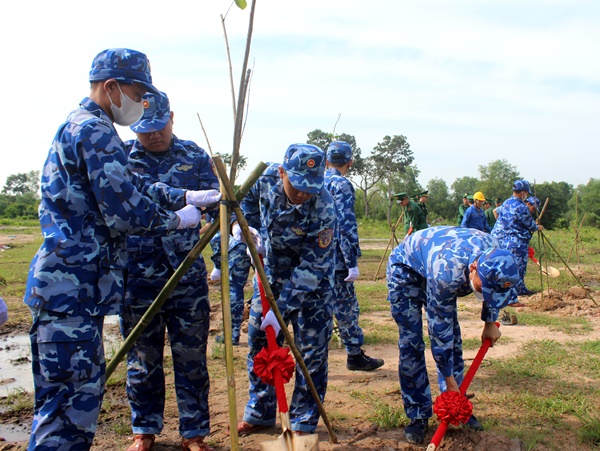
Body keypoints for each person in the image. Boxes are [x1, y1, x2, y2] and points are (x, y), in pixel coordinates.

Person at [23, 48, 218, 450]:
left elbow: (134, 189)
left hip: (82, 290)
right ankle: (145, 428)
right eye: (136, 91)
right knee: (66, 418)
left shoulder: (81, 127)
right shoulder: (96, 132)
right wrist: (175, 218)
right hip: (76, 289)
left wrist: (183, 196)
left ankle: (192, 430)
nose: (139, 104)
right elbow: (125, 209)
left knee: (66, 409)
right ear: (112, 87)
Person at [121, 91, 221, 451]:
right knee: (142, 358)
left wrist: (216, 207)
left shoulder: (194, 156)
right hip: (138, 276)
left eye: (158, 127)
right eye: (143, 129)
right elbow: (128, 199)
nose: (152, 136)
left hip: (186, 276)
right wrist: (183, 198)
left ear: (171, 118)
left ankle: (193, 432)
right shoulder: (122, 158)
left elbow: (215, 203)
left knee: (191, 358)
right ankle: (144, 430)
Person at [236, 144, 336, 435]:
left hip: (311, 284)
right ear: (282, 173)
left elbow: (313, 265)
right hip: (270, 273)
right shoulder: (262, 179)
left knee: (311, 350)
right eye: (298, 185)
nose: (304, 194)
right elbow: (242, 207)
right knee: (259, 340)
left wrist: (282, 310)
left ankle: (304, 419)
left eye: (311, 187)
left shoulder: (324, 206)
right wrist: (246, 231)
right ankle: (261, 411)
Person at [386, 226, 519, 445]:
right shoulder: (447, 271)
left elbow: (493, 290)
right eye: (483, 288)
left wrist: (489, 322)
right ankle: (418, 414)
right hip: (406, 272)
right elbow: (440, 330)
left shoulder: (497, 256)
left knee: (454, 339)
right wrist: (449, 380)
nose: (485, 295)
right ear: (474, 268)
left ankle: (456, 405)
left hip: (437, 261)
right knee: (412, 343)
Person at [324, 141, 384, 371]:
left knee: (318, 308)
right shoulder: (341, 185)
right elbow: (345, 225)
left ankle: (314, 358)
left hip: (315, 259)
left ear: (327, 160)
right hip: (337, 261)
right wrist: (351, 261)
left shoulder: (314, 182)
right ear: (350, 162)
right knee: (346, 308)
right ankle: (354, 354)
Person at [491, 180, 543, 298]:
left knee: (504, 266)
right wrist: (537, 227)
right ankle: (516, 290)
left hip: (502, 240)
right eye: (526, 193)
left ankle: (503, 288)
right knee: (518, 267)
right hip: (516, 242)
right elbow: (530, 225)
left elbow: (499, 214)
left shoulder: (506, 202)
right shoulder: (521, 207)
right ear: (523, 192)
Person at [210, 230, 253, 346]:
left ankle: (232, 335)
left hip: (238, 246)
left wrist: (217, 265)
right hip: (259, 240)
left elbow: (215, 237)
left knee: (235, 288)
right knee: (266, 286)